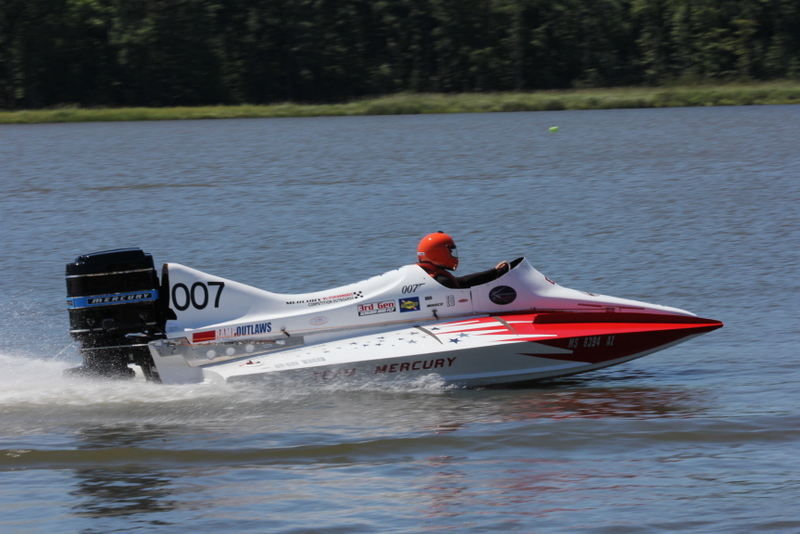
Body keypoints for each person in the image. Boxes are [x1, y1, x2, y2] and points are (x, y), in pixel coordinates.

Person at [416, 232, 509, 289]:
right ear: (439, 254)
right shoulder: (442, 281)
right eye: (450, 252)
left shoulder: (428, 276)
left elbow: (461, 282)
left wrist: (494, 272)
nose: (452, 255)